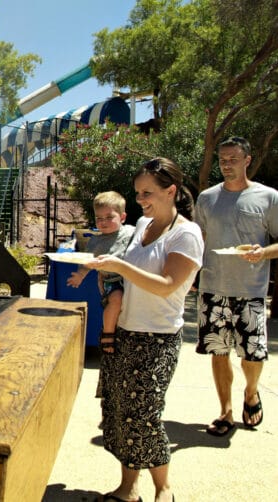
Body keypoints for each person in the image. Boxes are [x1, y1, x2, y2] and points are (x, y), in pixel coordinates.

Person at [85, 158, 203, 502]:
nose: (140, 200)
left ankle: (163, 489)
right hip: (125, 332)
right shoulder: (142, 226)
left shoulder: (187, 234)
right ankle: (128, 488)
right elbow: (129, 277)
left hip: (157, 338)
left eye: (147, 193)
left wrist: (119, 265)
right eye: (137, 193)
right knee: (119, 412)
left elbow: (167, 285)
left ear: (171, 191)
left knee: (145, 416)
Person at [194, 136, 278, 436]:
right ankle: (225, 412)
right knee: (218, 352)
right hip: (213, 286)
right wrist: (192, 276)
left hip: (251, 289)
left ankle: (251, 393)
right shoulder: (206, 198)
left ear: (247, 160)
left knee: (252, 355)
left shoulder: (268, 198)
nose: (226, 164)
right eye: (222, 159)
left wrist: (263, 252)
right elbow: (198, 240)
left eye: (232, 158)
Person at [68, 191, 135, 354]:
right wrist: (80, 275)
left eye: (109, 217)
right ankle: (108, 333)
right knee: (116, 299)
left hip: (131, 277)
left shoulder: (132, 232)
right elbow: (87, 261)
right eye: (99, 218)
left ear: (123, 217)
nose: (103, 222)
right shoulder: (96, 241)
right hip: (111, 280)